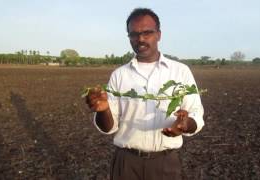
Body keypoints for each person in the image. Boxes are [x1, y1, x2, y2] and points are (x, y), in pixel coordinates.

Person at [86, 8, 204, 180]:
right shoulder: (120, 75)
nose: (140, 39)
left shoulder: (180, 72)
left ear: (159, 34)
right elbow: (108, 127)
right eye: (133, 34)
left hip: (166, 163)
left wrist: (185, 124)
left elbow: (196, 115)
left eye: (147, 32)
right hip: (126, 163)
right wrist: (102, 110)